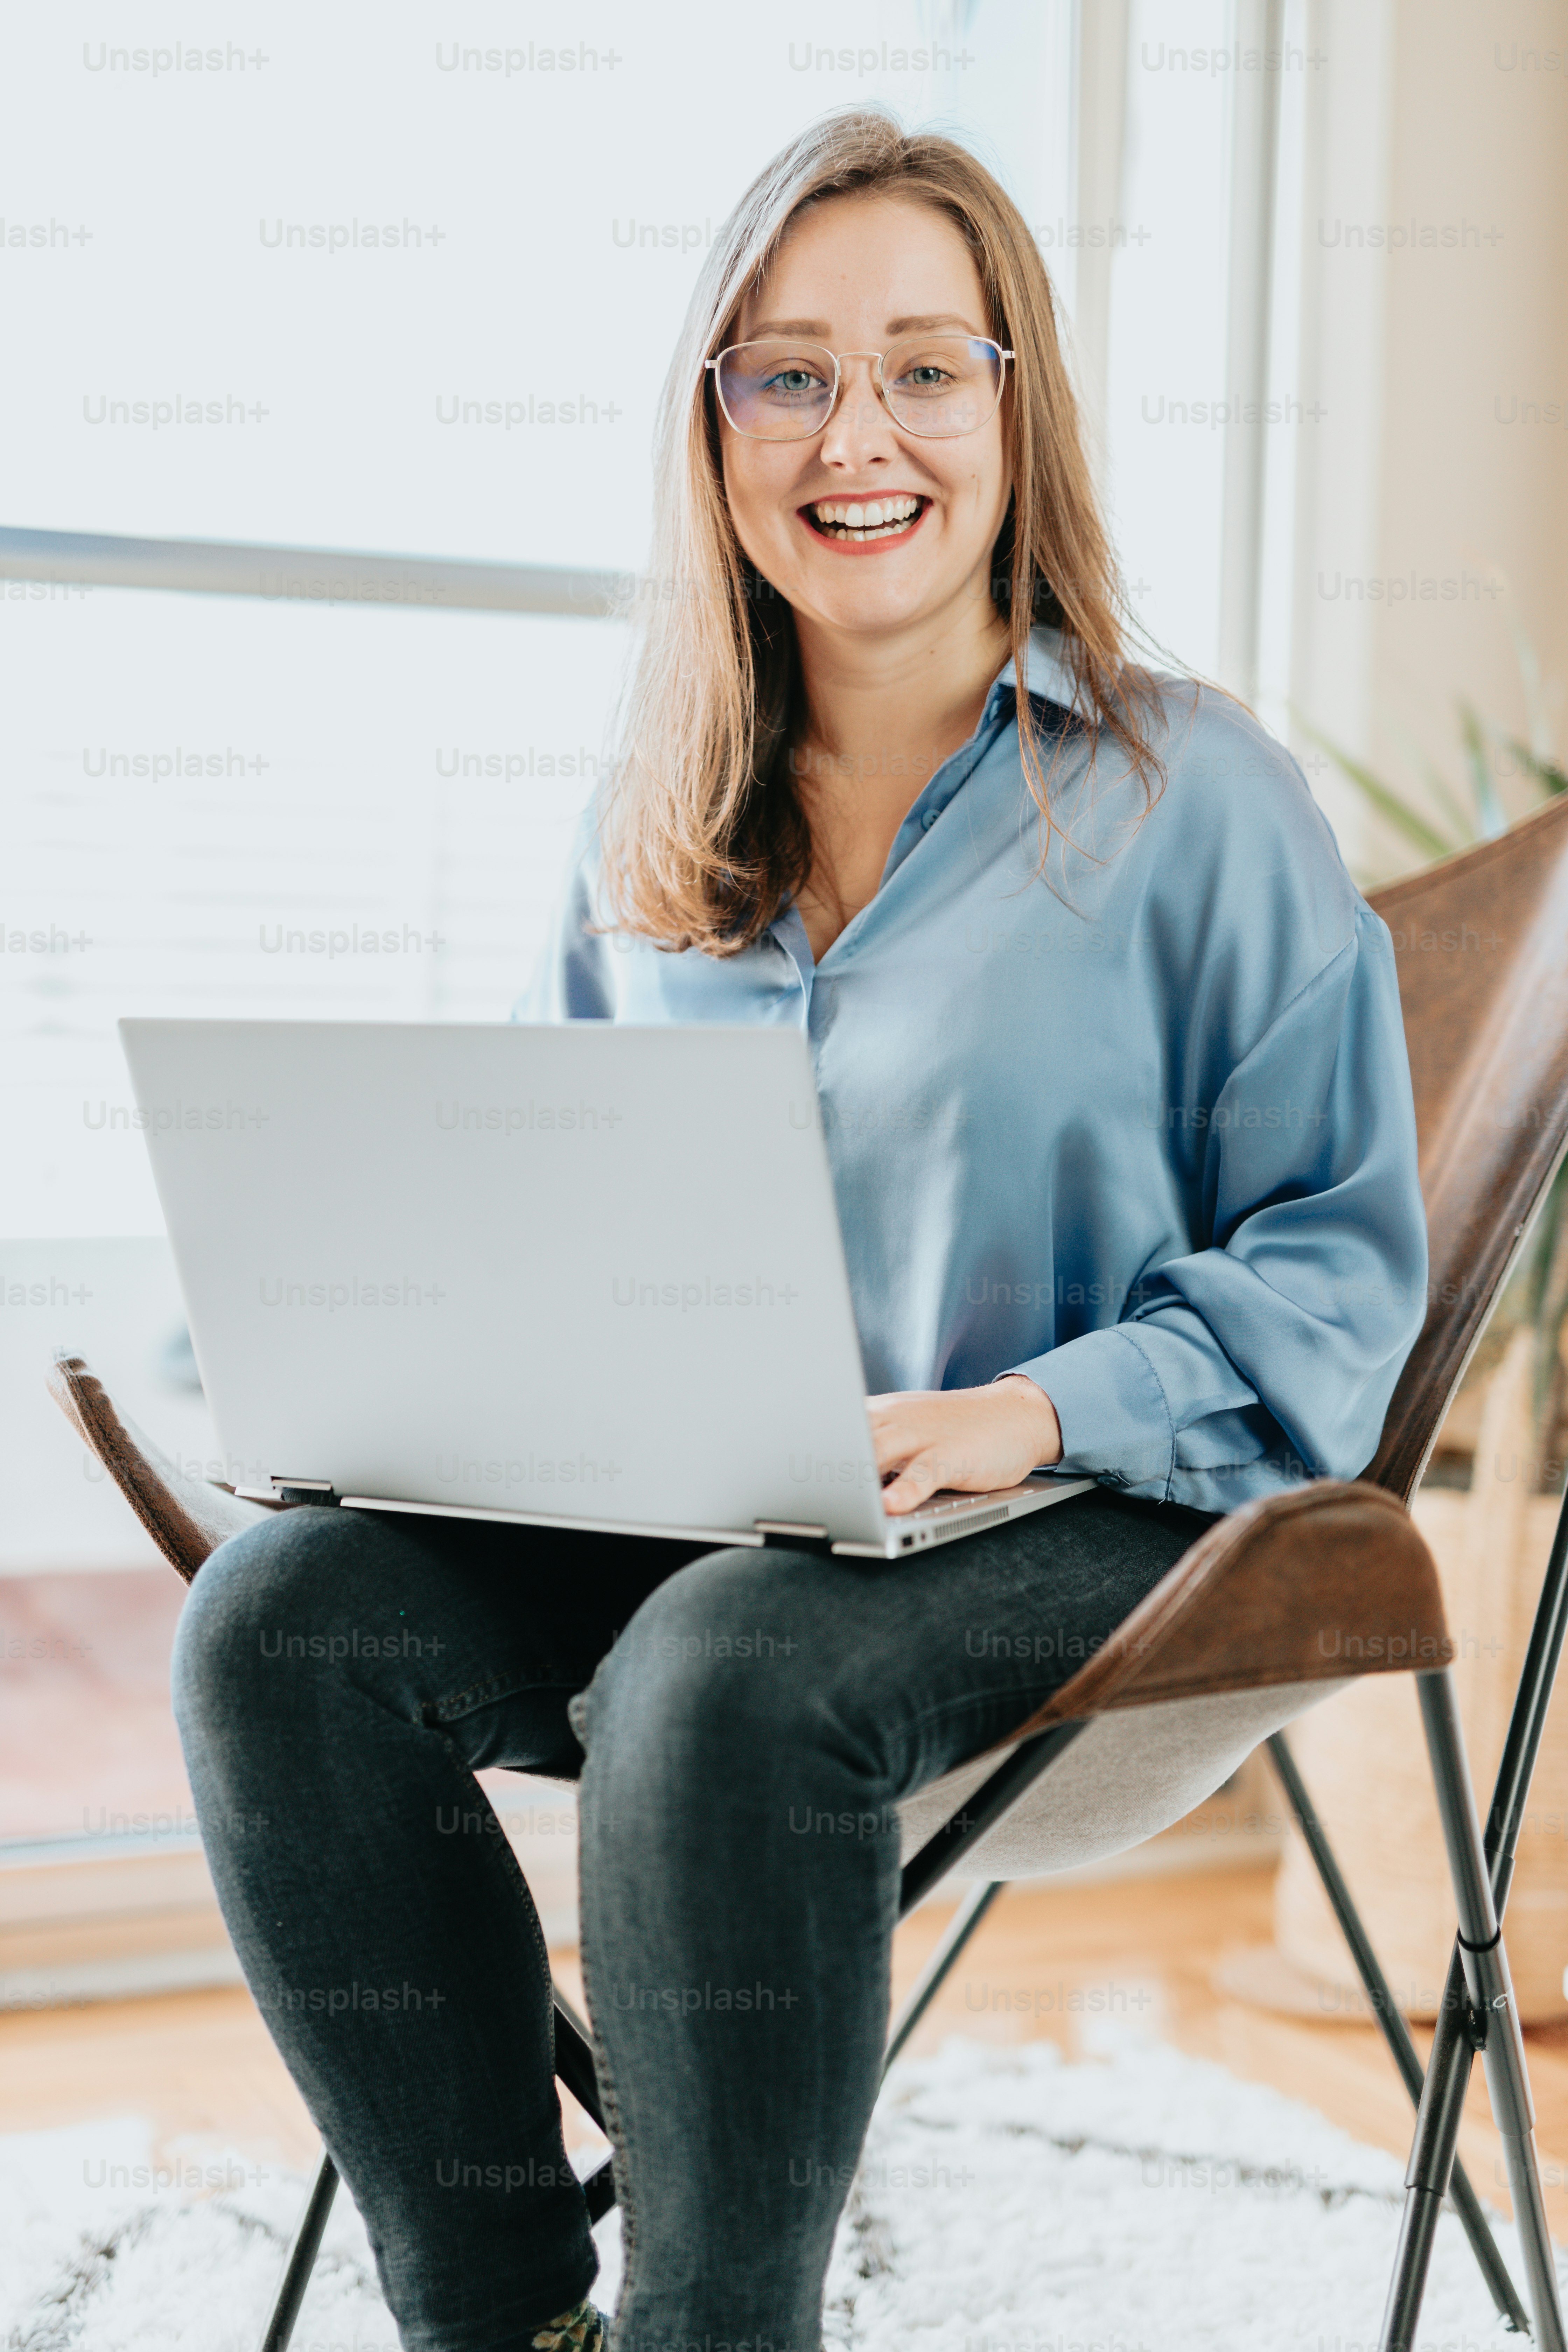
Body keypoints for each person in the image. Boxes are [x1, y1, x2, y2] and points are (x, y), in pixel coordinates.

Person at [173, 110, 1427, 2352]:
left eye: (929, 368)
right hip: (722, 1524)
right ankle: (499, 2314)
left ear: (1014, 409)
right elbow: (560, 1229)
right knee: (279, 1622)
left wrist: (1023, 1411)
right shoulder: (639, 829)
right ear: (715, 424)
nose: (862, 435)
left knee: (730, 1663)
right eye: (789, 373)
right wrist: (406, 1396)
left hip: (1103, 1516)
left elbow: (1340, 1265)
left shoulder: (1182, 790)